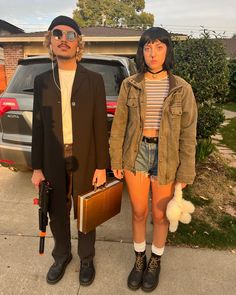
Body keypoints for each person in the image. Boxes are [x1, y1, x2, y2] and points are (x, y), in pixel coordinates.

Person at [109, 27, 197, 292]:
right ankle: (139, 260)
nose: (153, 53)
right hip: (136, 154)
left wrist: (185, 174)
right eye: (147, 48)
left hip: (166, 158)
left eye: (159, 47)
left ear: (167, 49)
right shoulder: (130, 84)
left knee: (160, 217)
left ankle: (155, 261)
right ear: (141, 52)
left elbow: (188, 135)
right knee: (138, 212)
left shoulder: (182, 88)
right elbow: (119, 126)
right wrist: (116, 159)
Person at [31, 15, 109, 286]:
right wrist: (37, 167)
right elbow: (38, 128)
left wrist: (102, 166)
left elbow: (100, 125)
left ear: (79, 44)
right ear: (50, 42)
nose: (64, 39)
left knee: (86, 210)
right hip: (53, 158)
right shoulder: (41, 81)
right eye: (57, 34)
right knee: (56, 209)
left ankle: (87, 258)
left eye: (71, 35)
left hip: (85, 156)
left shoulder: (94, 80)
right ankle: (62, 255)